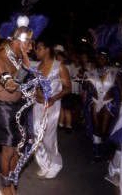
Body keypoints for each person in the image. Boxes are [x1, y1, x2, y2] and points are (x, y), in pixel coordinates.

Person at [0, 20, 33, 195]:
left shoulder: (16, 58)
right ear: (17, 41)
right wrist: (25, 67)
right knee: (8, 150)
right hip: (3, 108)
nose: (30, 48)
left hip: (19, 107)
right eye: (28, 43)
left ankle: (12, 183)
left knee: (18, 151)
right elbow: (12, 86)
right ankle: (4, 188)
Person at [33, 37, 71, 179]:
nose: (36, 51)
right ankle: (45, 164)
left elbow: (68, 88)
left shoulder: (59, 66)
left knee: (48, 138)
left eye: (39, 48)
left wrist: (53, 98)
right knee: (37, 136)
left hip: (52, 107)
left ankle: (55, 164)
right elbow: (36, 87)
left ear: (47, 49)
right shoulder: (37, 67)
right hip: (37, 105)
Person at [83, 48, 122, 163]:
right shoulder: (91, 72)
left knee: (104, 129)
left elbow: (121, 88)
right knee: (96, 127)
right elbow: (86, 88)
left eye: (104, 58)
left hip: (108, 103)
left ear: (108, 59)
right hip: (95, 102)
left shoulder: (114, 72)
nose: (101, 59)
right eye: (99, 57)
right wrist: (85, 80)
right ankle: (97, 154)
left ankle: (111, 149)